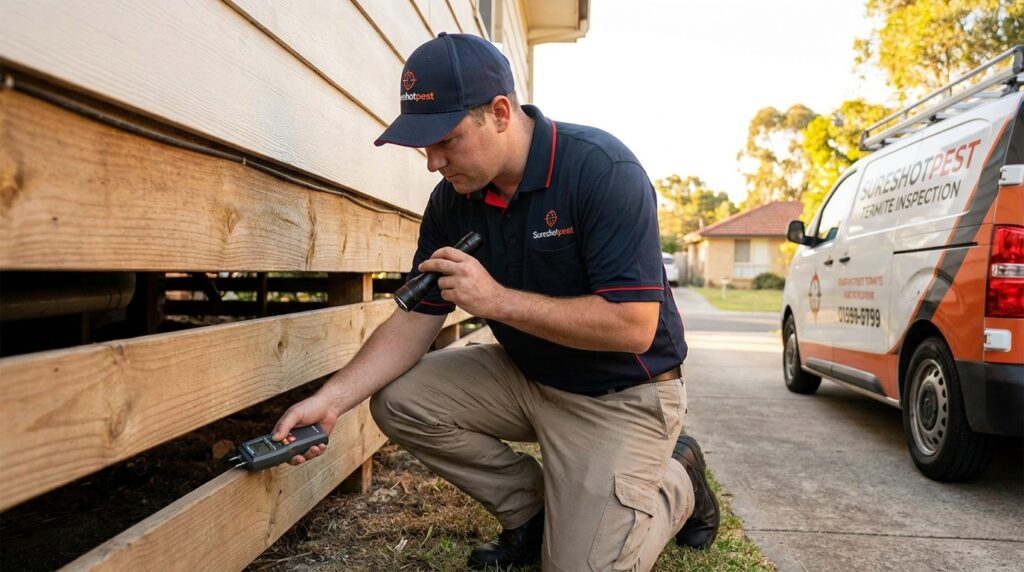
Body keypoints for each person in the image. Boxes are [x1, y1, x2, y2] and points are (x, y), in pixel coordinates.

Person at [272, 32, 720, 571]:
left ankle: (677, 479)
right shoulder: (452, 200)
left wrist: (497, 301)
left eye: (446, 140)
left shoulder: (602, 171)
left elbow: (633, 326)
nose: (433, 162)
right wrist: (332, 400)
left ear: (500, 113)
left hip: (621, 393)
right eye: (423, 146)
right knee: (399, 399)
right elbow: (416, 320)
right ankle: (531, 512)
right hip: (528, 377)